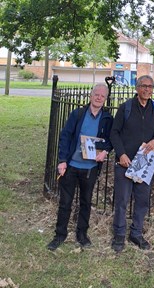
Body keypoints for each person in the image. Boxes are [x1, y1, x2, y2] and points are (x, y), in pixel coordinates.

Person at [47, 84, 113, 251]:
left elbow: (110, 139)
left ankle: (82, 235)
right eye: (96, 94)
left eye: (102, 96)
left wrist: (104, 151)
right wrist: (62, 160)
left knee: (85, 202)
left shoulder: (107, 118)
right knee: (65, 202)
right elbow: (65, 136)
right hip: (71, 166)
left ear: (105, 99)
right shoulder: (77, 114)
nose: (99, 98)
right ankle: (59, 235)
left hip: (90, 168)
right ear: (91, 96)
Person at [110, 75, 154, 252]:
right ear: (137, 88)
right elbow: (114, 133)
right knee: (122, 200)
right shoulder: (126, 108)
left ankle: (136, 233)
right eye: (144, 86)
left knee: (142, 200)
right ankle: (119, 234)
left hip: (143, 161)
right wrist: (121, 154)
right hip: (125, 161)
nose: (147, 89)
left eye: (150, 86)